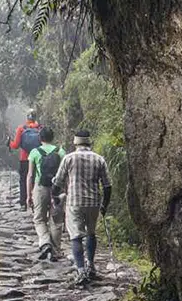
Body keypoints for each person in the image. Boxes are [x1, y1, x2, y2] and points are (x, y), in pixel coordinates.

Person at [51, 129, 111, 284]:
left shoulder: (69, 158)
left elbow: (58, 182)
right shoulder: (99, 159)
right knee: (91, 233)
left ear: (75, 142)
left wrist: (55, 196)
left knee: (76, 236)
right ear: (89, 142)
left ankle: (80, 270)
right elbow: (107, 185)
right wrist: (104, 204)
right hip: (93, 202)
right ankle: (91, 266)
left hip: (74, 203)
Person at [26, 127, 66, 261]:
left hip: (40, 188)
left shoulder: (34, 152)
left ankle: (45, 243)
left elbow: (30, 175)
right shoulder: (60, 152)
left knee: (39, 219)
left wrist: (28, 195)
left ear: (40, 138)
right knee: (56, 220)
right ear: (52, 137)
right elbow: (65, 175)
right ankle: (55, 250)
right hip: (57, 189)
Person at [8, 110, 43, 211]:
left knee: (23, 180)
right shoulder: (40, 128)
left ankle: (23, 203)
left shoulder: (21, 129)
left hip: (24, 159)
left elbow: (15, 145)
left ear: (27, 117)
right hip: (38, 158)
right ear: (35, 117)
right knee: (36, 180)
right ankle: (36, 202)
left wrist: (9, 142)